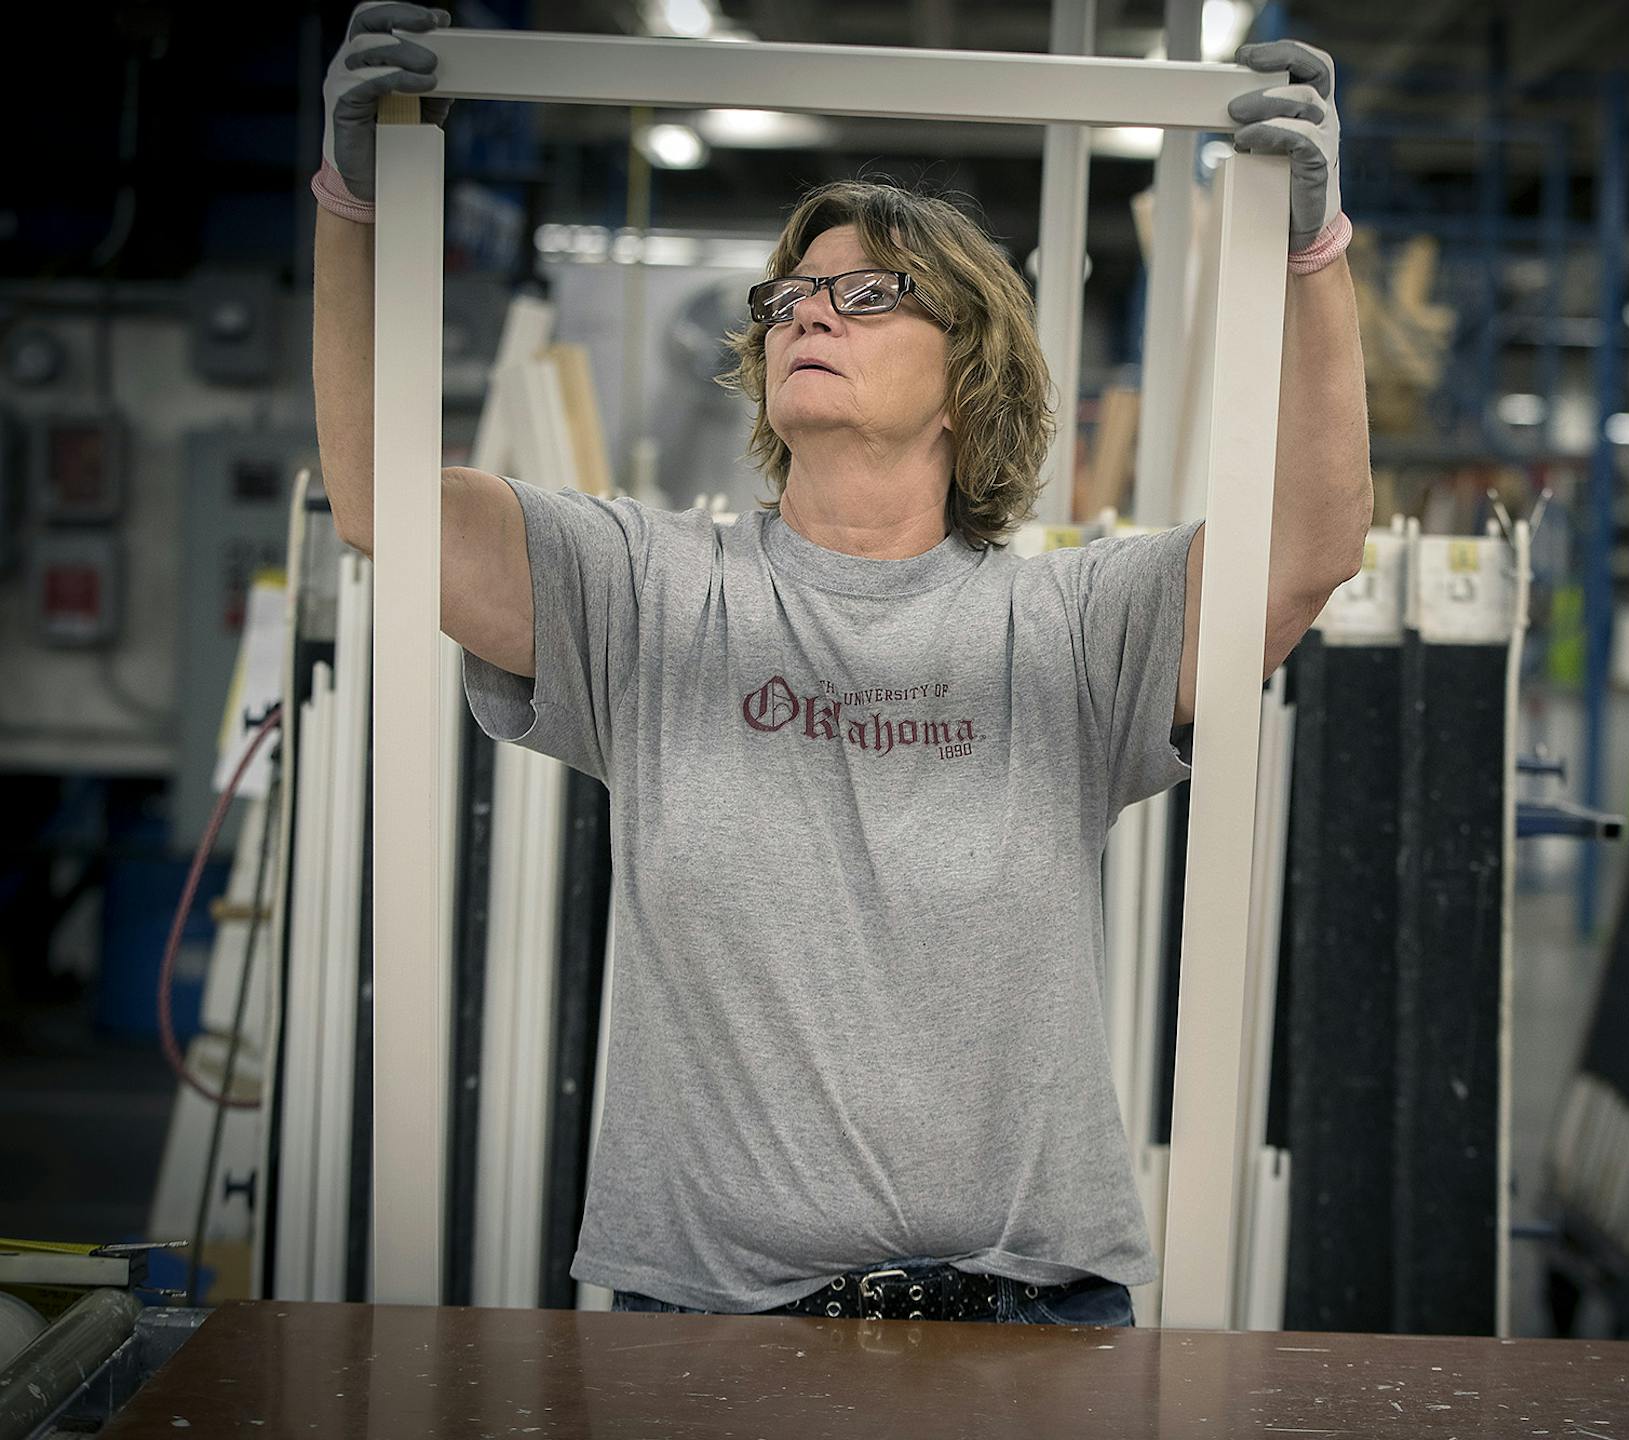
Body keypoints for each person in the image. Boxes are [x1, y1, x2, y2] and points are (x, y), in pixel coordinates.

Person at [313, 2, 1370, 1325]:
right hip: (706, 1323)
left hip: (1026, 1318)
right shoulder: (647, 592)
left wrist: (1313, 256)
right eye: (792, 297)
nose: (811, 311)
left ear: (965, 376)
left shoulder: (1072, 626)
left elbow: (1312, 545)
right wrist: (356, 203)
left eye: (869, 294)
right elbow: (381, 503)